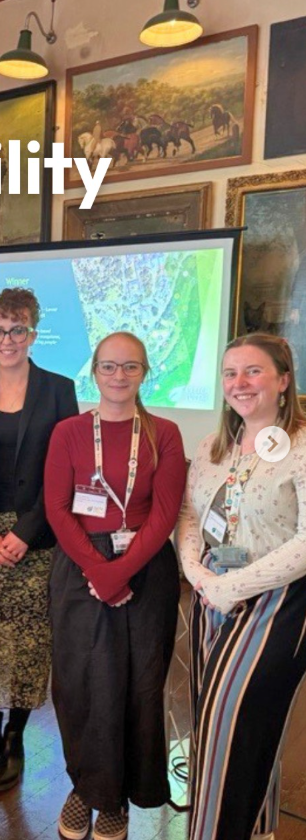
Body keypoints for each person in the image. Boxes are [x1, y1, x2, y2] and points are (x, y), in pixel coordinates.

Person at [45, 332, 187, 840]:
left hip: (145, 567)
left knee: (139, 686)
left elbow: (165, 513)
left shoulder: (164, 433)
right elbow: (58, 509)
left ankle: (118, 799)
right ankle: (86, 789)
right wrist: (99, 572)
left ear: (145, 372)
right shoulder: (68, 431)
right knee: (80, 683)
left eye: (130, 366)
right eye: (109, 366)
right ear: (94, 372)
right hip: (81, 566)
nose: (119, 376)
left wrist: (118, 572)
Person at [176, 333, 306, 840]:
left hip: (279, 601)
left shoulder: (302, 447)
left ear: (283, 379)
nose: (239, 383)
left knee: (227, 727)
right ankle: (259, 828)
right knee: (237, 727)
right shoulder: (213, 448)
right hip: (211, 595)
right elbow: (190, 515)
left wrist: (234, 587)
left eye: (253, 371)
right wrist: (196, 572)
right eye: (230, 373)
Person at [0, 288, 78, 791]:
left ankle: (15, 738)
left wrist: (25, 531)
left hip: (35, 535)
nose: (7, 339)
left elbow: (65, 471)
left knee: (29, 640)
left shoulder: (59, 390)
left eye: (17, 329)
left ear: (33, 333)